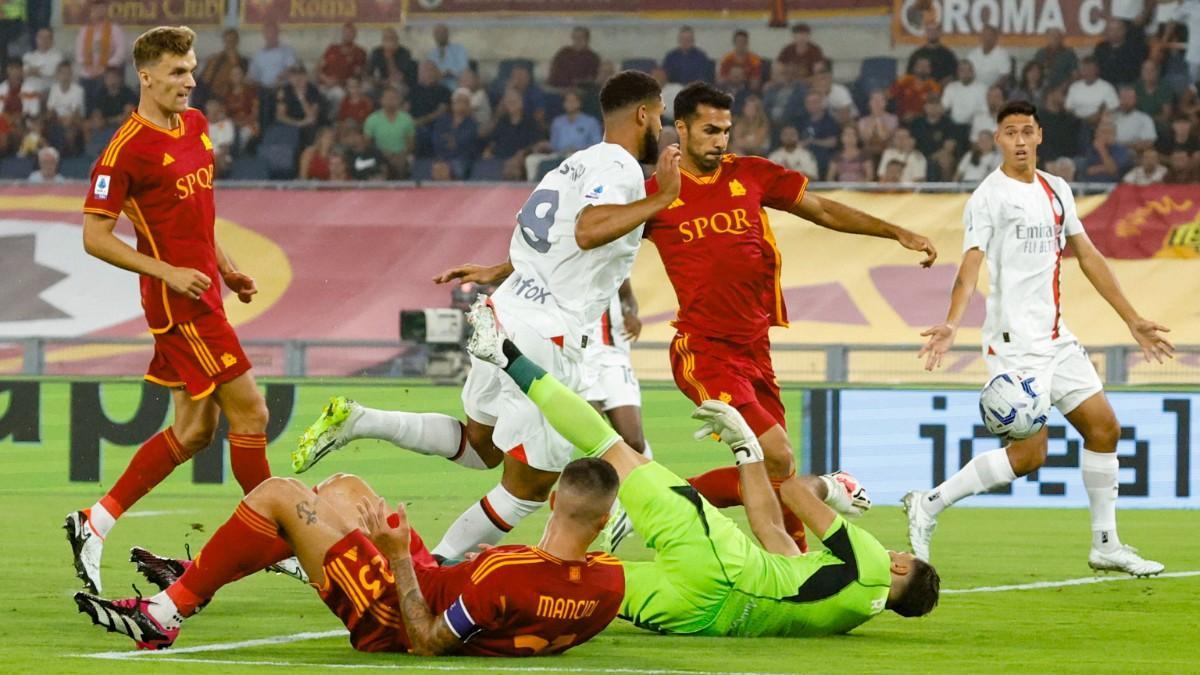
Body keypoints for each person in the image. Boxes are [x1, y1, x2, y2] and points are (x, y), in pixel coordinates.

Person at [294, 71, 679, 564]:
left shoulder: (575, 164)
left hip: (507, 312)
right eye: (661, 113)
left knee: (480, 446)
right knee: (528, 488)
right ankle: (430, 573)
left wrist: (497, 269)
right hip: (546, 335)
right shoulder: (621, 168)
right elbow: (587, 230)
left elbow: (557, 241)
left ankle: (360, 420)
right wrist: (662, 197)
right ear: (644, 113)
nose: (662, 125)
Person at [462, 302, 940, 637]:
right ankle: (484, 577)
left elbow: (792, 490)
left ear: (900, 565)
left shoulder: (874, 561)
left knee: (610, 446)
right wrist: (746, 451)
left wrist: (832, 489)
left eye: (900, 552)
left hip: (718, 560)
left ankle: (501, 352)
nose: (893, 551)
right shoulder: (849, 612)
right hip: (698, 614)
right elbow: (770, 528)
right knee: (573, 585)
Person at [640, 83, 935, 553]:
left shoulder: (751, 174)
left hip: (756, 349)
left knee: (779, 470)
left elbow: (819, 208)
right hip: (704, 349)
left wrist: (892, 230)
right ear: (681, 128)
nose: (721, 140)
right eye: (710, 130)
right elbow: (596, 239)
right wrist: (510, 269)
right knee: (776, 455)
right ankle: (651, 501)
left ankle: (795, 559)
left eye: (726, 131)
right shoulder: (656, 194)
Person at [911, 100, 1172, 576]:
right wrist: (952, 321)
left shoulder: (1057, 189)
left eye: (1026, 131)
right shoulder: (988, 197)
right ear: (997, 140)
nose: (1019, 141)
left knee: (1104, 429)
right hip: (1014, 344)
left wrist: (1131, 319)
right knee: (1030, 455)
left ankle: (1105, 544)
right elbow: (971, 265)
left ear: (1039, 136)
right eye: (1009, 133)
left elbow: (1089, 255)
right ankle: (929, 504)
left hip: (1056, 337)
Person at [67, 26, 282, 597]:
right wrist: (167, 272)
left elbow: (198, 218)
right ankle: (278, 538)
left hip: (205, 293)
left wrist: (227, 266)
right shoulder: (124, 149)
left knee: (192, 431)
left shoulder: (197, 126)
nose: (190, 81)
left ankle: (95, 521)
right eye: (178, 72)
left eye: (191, 70)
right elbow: (94, 237)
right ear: (147, 76)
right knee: (252, 415)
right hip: (178, 304)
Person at [75, 457, 624, 653]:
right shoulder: (609, 583)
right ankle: (204, 576)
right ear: (603, 522)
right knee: (346, 489)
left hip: (391, 613)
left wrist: (398, 557)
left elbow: (427, 642)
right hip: (435, 583)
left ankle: (163, 615)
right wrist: (470, 574)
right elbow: (522, 598)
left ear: (552, 500)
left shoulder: (508, 571)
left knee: (278, 494)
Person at [583, 281, 649, 455]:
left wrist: (630, 313)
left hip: (613, 356)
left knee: (634, 441)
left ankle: (648, 478)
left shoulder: (614, 258)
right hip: (579, 360)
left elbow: (626, 296)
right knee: (600, 441)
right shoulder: (560, 262)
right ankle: (613, 480)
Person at [75, 0, 127, 95]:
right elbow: (79, 53)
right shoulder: (84, 30)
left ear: (106, 9)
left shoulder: (115, 29)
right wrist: (88, 68)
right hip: (87, 72)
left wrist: (105, 67)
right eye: (95, 8)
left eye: (101, 8)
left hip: (107, 73)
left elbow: (121, 53)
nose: (98, 11)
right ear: (91, 10)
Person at [363, 86, 416, 177]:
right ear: (381, 100)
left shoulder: (407, 119)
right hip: (379, 156)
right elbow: (367, 144)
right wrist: (383, 154)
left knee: (404, 163)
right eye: (388, 98)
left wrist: (401, 155)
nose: (391, 101)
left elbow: (411, 144)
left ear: (399, 100)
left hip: (401, 156)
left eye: (394, 98)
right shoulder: (372, 119)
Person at [1093, 18, 1147, 87]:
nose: (1114, 32)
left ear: (1124, 30)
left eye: (1118, 29)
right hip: (1104, 86)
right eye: (1111, 30)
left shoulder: (1133, 48)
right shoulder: (1101, 48)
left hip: (1127, 85)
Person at [1065, 57, 1119, 125]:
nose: (1088, 72)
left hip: (1099, 124)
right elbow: (1068, 108)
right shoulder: (1074, 87)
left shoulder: (1107, 87)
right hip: (1077, 124)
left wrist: (1099, 116)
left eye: (1091, 69)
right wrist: (1080, 119)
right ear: (1080, 71)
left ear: (1097, 70)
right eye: (1084, 69)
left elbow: (1114, 108)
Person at [888, 56, 941, 123]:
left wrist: (915, 116)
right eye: (920, 65)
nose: (923, 68)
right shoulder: (904, 80)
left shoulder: (934, 86)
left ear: (930, 70)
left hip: (922, 121)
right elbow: (888, 95)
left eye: (926, 66)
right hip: (900, 119)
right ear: (914, 68)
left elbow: (934, 109)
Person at [199, 28, 246, 101]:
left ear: (237, 41)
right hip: (214, 96)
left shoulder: (243, 61)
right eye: (228, 41)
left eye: (233, 40)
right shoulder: (215, 60)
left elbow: (244, 82)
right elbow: (205, 80)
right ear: (224, 41)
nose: (230, 43)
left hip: (234, 96)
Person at [941, 60, 989, 130]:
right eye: (962, 70)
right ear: (958, 73)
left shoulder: (983, 88)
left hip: (976, 126)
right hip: (954, 125)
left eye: (968, 70)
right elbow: (944, 107)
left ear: (973, 72)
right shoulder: (951, 87)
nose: (965, 73)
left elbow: (986, 111)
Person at [247, 21, 297, 89]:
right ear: (264, 34)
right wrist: (251, 79)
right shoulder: (258, 54)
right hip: (263, 90)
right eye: (267, 32)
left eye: (273, 32)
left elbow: (291, 68)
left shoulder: (287, 50)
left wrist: (281, 77)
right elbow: (253, 74)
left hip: (282, 89)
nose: (270, 35)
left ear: (278, 33)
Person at [319, 22, 367, 87]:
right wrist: (325, 79)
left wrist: (337, 82)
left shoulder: (359, 52)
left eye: (350, 32)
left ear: (355, 35)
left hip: (343, 87)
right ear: (342, 33)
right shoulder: (332, 48)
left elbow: (358, 75)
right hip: (324, 84)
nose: (347, 35)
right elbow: (319, 68)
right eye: (345, 32)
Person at [1113, 85, 1158, 152]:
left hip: (1134, 155)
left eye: (1130, 98)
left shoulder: (1144, 119)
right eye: (1124, 98)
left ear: (1135, 100)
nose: (1126, 101)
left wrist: (1120, 145)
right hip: (1111, 154)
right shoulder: (1109, 117)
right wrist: (1133, 143)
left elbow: (1148, 143)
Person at [857, 89, 898, 159]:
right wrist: (873, 120)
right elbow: (866, 138)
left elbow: (884, 136)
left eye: (880, 100)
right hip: (869, 155)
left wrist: (878, 119)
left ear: (885, 103)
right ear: (869, 103)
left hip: (888, 153)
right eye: (874, 100)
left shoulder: (893, 118)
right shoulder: (862, 121)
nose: (877, 103)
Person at [426, 24, 469, 90]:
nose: (440, 36)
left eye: (442, 33)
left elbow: (464, 69)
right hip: (436, 89)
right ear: (434, 36)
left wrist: (450, 73)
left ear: (447, 34)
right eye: (437, 34)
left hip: (456, 87)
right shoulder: (431, 54)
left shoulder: (459, 49)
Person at [23, 27, 63, 94]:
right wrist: (40, 72)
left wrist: (35, 72)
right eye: (40, 37)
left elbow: (52, 74)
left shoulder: (58, 57)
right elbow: (24, 73)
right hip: (28, 92)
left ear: (52, 40)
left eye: (47, 37)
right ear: (36, 39)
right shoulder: (28, 56)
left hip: (47, 92)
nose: (44, 40)